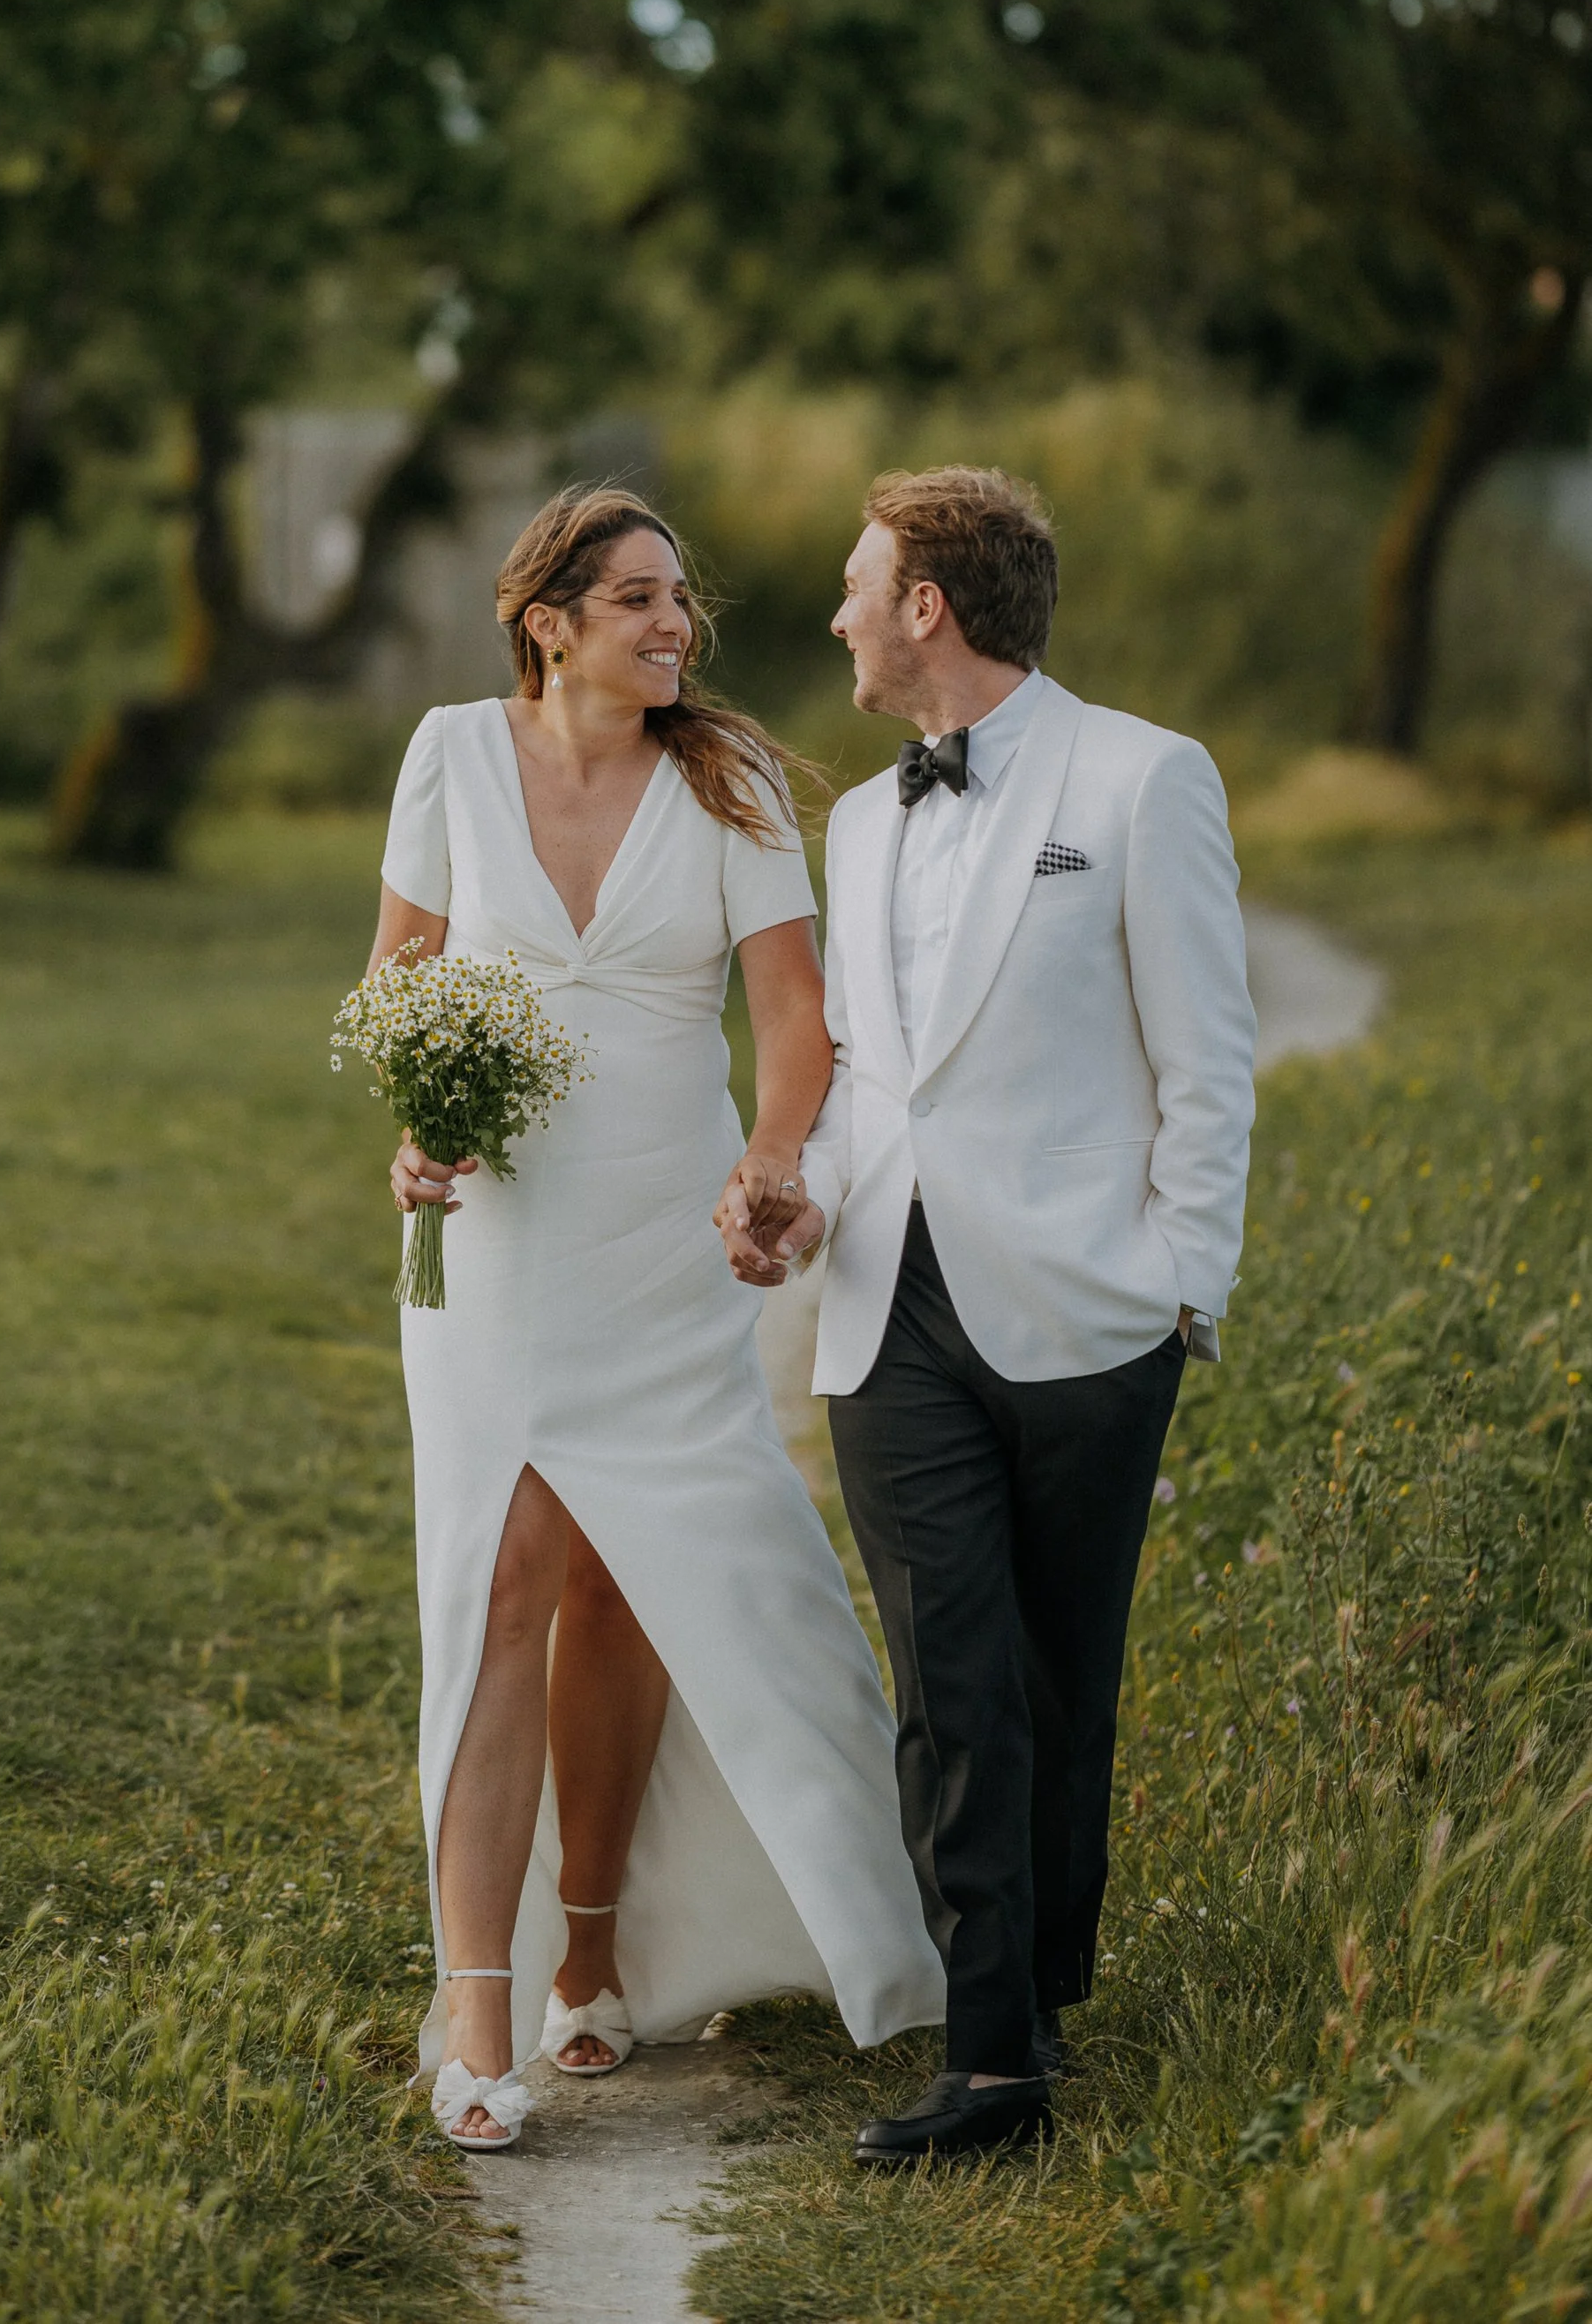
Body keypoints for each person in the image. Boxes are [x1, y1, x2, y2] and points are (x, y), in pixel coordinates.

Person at [373, 484, 942, 2153]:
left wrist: (773, 1160)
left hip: (663, 1233)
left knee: (637, 1575)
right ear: (549, 622)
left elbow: (795, 1018)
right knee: (498, 1580)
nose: (672, 624)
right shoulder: (449, 757)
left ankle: (599, 1948)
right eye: (635, 600)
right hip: (492, 1237)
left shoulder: (736, 777)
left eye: (678, 599)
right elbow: (401, 980)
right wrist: (418, 1118)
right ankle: (479, 2000)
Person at [721, 464, 1256, 2162]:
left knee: (1053, 1675)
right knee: (947, 1680)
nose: (837, 616)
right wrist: (801, 1184)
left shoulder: (1147, 776)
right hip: (893, 1311)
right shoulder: (861, 820)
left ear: (927, 607)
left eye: (856, 584)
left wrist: (1183, 1284)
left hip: (1093, 1311)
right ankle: (995, 2056)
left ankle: (1039, 1978)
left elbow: (1209, 1058)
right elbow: (878, 1072)